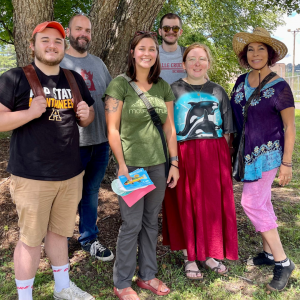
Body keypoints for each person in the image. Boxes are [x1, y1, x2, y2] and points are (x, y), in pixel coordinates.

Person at [0, 21, 95, 300]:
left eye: (57, 41)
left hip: (70, 173)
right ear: (32, 45)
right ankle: (25, 297)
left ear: (64, 47)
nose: (52, 45)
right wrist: (29, 113)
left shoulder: (73, 78)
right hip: (32, 176)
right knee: (30, 240)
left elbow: (88, 117)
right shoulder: (15, 77)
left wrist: (84, 114)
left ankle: (62, 288)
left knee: (59, 233)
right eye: (45, 40)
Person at [104, 31, 179, 300]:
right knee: (131, 223)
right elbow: (112, 130)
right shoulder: (119, 85)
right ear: (133, 53)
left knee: (150, 222)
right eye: (142, 48)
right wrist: (121, 165)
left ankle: (147, 275)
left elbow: (169, 127)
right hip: (132, 168)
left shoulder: (162, 87)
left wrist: (174, 163)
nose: (147, 53)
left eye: (152, 49)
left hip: (159, 165)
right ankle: (122, 282)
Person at [163, 42, 239, 280]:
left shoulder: (217, 91)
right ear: (183, 63)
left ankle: (209, 254)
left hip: (213, 152)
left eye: (202, 59)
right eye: (192, 59)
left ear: (208, 63)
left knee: (211, 203)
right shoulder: (172, 89)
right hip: (184, 153)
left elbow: (227, 130)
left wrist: (223, 160)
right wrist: (173, 159)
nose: (197, 63)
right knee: (187, 201)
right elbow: (168, 128)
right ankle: (190, 255)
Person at [231, 27, 295, 291]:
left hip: (268, 155)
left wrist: (287, 163)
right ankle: (269, 254)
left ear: (270, 54)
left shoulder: (280, 87)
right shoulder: (239, 81)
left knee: (251, 203)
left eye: (261, 49)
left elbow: (290, 127)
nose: (255, 53)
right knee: (263, 202)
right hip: (245, 153)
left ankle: (283, 261)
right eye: (250, 49)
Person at [60, 14, 113, 261]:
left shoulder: (99, 64)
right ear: (68, 32)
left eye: (88, 30)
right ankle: (57, 240)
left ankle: (88, 238)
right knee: (64, 194)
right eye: (78, 29)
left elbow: (111, 100)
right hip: (70, 143)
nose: (83, 34)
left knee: (91, 191)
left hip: (100, 141)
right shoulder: (58, 62)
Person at [158, 13, 186, 84]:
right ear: (160, 32)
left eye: (175, 28)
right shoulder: (151, 54)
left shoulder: (188, 54)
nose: (171, 31)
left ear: (180, 32)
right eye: (166, 28)